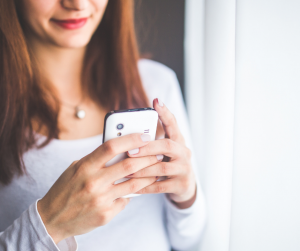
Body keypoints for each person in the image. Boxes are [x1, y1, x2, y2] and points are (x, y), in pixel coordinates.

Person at [0, 0, 206, 250]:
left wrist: (185, 196)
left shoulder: (156, 85)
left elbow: (190, 241)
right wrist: (49, 224)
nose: (77, 4)